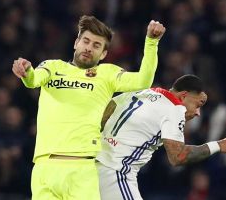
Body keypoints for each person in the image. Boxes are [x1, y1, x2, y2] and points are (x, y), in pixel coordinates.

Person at [12, 15, 165, 200]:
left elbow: (143, 81)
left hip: (82, 170)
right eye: (86, 41)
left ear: (103, 54)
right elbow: (33, 80)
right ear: (76, 43)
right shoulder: (52, 67)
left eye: (96, 45)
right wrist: (26, 71)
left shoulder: (107, 74)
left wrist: (151, 42)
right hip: (44, 168)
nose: (89, 48)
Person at [97, 74, 226, 200]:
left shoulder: (144, 92)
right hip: (116, 172)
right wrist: (217, 145)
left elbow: (105, 112)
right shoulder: (175, 108)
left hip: (92, 165)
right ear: (184, 96)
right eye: (198, 104)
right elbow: (178, 156)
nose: (198, 112)